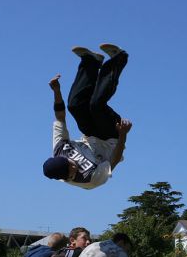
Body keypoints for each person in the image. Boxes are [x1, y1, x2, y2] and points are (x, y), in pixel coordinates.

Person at [42, 43, 133, 189]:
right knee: (96, 106)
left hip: (90, 133)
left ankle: (91, 62)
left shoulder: (60, 149)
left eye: (67, 159)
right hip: (112, 138)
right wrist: (123, 135)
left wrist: (56, 91)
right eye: (70, 164)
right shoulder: (89, 179)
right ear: (69, 172)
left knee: (74, 106)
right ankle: (119, 58)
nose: (71, 161)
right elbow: (114, 161)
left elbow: (60, 117)